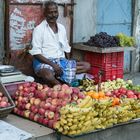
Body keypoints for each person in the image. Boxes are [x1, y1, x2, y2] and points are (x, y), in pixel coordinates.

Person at [29, 1, 90, 87]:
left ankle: (61, 77)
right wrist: (53, 65)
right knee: (48, 75)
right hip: (45, 62)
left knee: (86, 66)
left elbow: (66, 47)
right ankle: (62, 86)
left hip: (61, 61)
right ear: (45, 13)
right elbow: (36, 53)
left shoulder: (61, 28)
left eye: (55, 12)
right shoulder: (39, 30)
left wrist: (68, 62)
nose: (53, 15)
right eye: (50, 12)